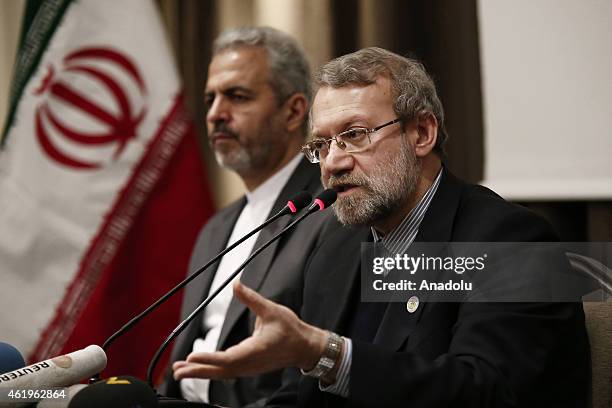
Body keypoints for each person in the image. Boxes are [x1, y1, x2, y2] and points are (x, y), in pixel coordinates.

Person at [172, 47, 590, 407]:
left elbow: (483, 393)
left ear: (422, 133)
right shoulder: (336, 247)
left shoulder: (512, 240)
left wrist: (327, 353)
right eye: (322, 144)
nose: (333, 162)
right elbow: (304, 399)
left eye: (354, 135)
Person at [161, 27, 334, 407]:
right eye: (210, 99)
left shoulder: (330, 214)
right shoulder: (215, 228)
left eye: (237, 97)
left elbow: (315, 379)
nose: (215, 114)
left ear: (293, 111)